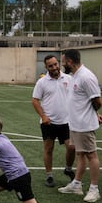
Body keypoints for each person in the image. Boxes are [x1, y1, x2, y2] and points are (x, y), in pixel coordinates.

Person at [58, 49, 102, 202]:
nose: (62, 64)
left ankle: (94, 189)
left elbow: (97, 101)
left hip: (84, 124)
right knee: (80, 154)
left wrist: (93, 114)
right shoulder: (74, 76)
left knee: (91, 155)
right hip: (75, 123)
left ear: (70, 61)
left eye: (63, 61)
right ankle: (76, 184)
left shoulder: (86, 76)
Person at [32, 54, 75, 188]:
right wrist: (43, 116)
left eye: (56, 64)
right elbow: (35, 100)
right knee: (49, 148)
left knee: (72, 147)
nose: (54, 67)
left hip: (67, 122)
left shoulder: (69, 78)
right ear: (46, 67)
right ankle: (49, 175)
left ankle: (68, 169)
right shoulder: (42, 82)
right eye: (51, 65)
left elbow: (78, 97)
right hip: (48, 123)